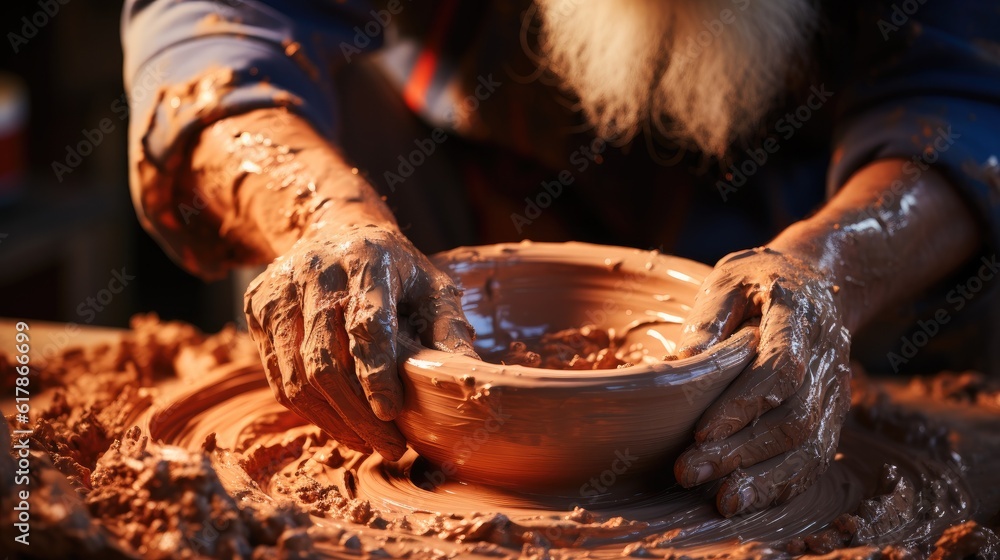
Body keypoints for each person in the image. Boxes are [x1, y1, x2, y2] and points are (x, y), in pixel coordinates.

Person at [121, 0, 1000, 516]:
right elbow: (217, 18)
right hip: (446, 196)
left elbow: (967, 91)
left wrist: (834, 272)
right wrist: (319, 214)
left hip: (833, 219)